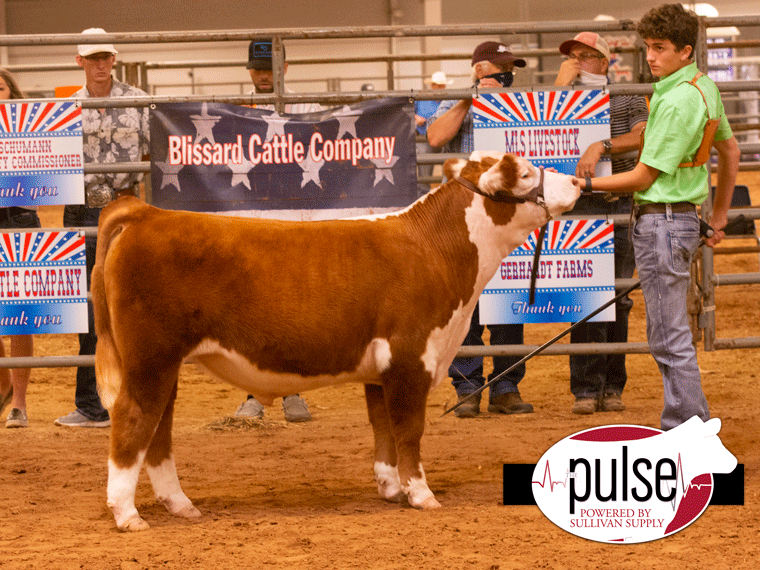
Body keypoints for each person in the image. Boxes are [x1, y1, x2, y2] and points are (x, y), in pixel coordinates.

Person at [578, 4, 740, 430]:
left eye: (660, 48)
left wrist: (584, 186)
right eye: (648, 47)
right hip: (678, 218)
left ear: (686, 50)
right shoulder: (701, 88)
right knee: (669, 335)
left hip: (662, 221)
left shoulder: (674, 100)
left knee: (669, 338)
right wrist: (717, 216)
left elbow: (644, 175)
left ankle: (686, 429)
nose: (650, 56)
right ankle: (686, 425)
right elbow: (731, 150)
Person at [427, 41, 533, 418]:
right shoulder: (457, 100)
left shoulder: (521, 102)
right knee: (464, 300)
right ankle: (467, 386)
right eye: (498, 68)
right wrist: (469, 101)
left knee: (508, 297)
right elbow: (435, 137)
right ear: (478, 70)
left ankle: (506, 385)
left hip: (506, 214)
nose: (506, 76)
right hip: (465, 217)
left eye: (509, 69)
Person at [54, 28, 150, 428]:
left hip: (124, 206)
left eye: (105, 57)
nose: (99, 64)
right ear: (80, 62)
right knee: (88, 305)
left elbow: (153, 152)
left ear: (114, 58)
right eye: (92, 58)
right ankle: (91, 404)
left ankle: (132, 398)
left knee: (129, 304)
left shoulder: (141, 103)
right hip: (81, 208)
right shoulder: (65, 109)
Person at [554, 32, 649, 415]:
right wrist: (559, 88)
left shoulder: (625, 95)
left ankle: (612, 385)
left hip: (617, 198)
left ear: (604, 62)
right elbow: (545, 132)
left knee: (618, 297)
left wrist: (602, 145)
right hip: (580, 204)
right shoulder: (563, 98)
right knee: (586, 297)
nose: (577, 62)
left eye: (585, 56)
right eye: (572, 56)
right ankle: (586, 388)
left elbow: (642, 136)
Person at [235, 39, 319, 422]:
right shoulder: (233, 112)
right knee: (253, 307)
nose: (264, 74)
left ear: (284, 68)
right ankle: (259, 391)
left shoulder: (310, 109)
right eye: (258, 67)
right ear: (250, 71)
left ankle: (289, 389)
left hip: (299, 223)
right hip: (252, 221)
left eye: (269, 66)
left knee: (296, 307)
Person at [0, 69, 39, 429]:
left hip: (20, 219)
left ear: (13, 94)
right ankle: (4, 389)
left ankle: (19, 403)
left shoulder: (32, 130)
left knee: (20, 314)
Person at [414, 71, 450, 196]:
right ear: (432, 86)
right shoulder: (421, 99)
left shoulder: (449, 100)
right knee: (424, 173)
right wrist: (416, 118)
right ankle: (422, 198)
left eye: (441, 86)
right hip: (425, 138)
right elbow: (409, 113)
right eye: (436, 85)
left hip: (445, 138)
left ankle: (446, 196)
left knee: (448, 170)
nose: (439, 88)